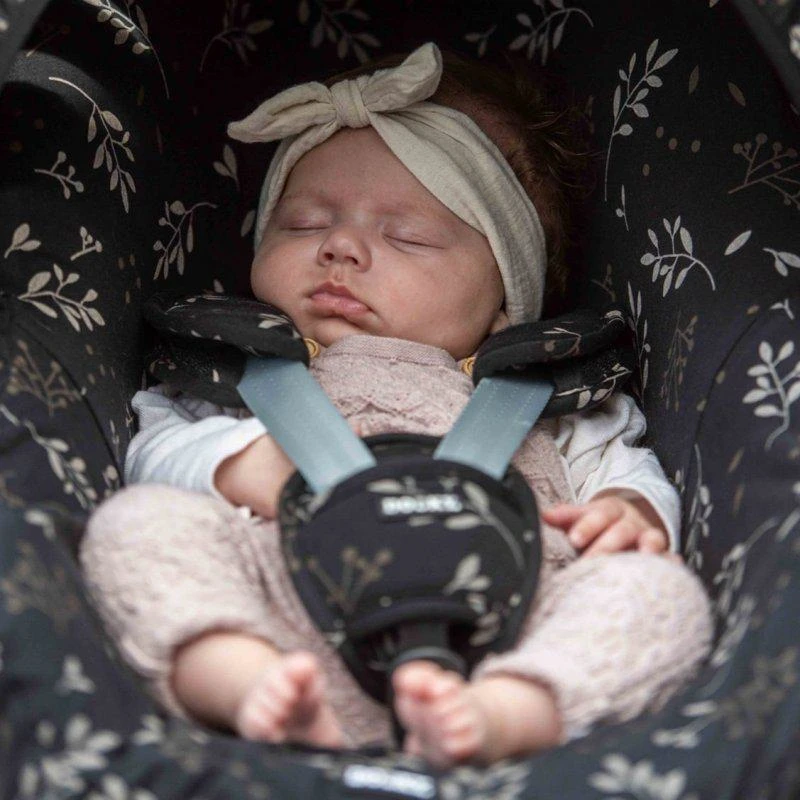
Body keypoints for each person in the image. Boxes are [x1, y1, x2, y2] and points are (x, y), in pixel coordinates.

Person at [80, 43, 712, 768]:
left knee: (658, 591)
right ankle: (241, 679)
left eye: (407, 235)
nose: (340, 247)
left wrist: (629, 511)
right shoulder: (232, 373)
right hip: (280, 612)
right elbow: (153, 453)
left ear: (507, 301)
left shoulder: (555, 399)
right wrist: (240, 464)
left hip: (511, 620)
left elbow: (624, 473)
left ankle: (506, 713)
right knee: (138, 523)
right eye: (304, 224)